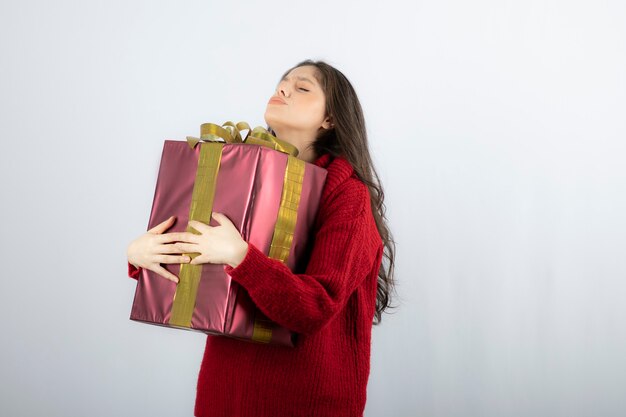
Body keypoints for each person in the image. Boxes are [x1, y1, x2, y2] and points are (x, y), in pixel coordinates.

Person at [126, 59, 397, 417]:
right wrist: (142, 257)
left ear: (330, 119)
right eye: (282, 83)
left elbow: (315, 308)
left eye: (301, 88)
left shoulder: (349, 197)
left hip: (304, 403)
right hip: (223, 394)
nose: (283, 89)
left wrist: (241, 257)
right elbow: (207, 269)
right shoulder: (243, 171)